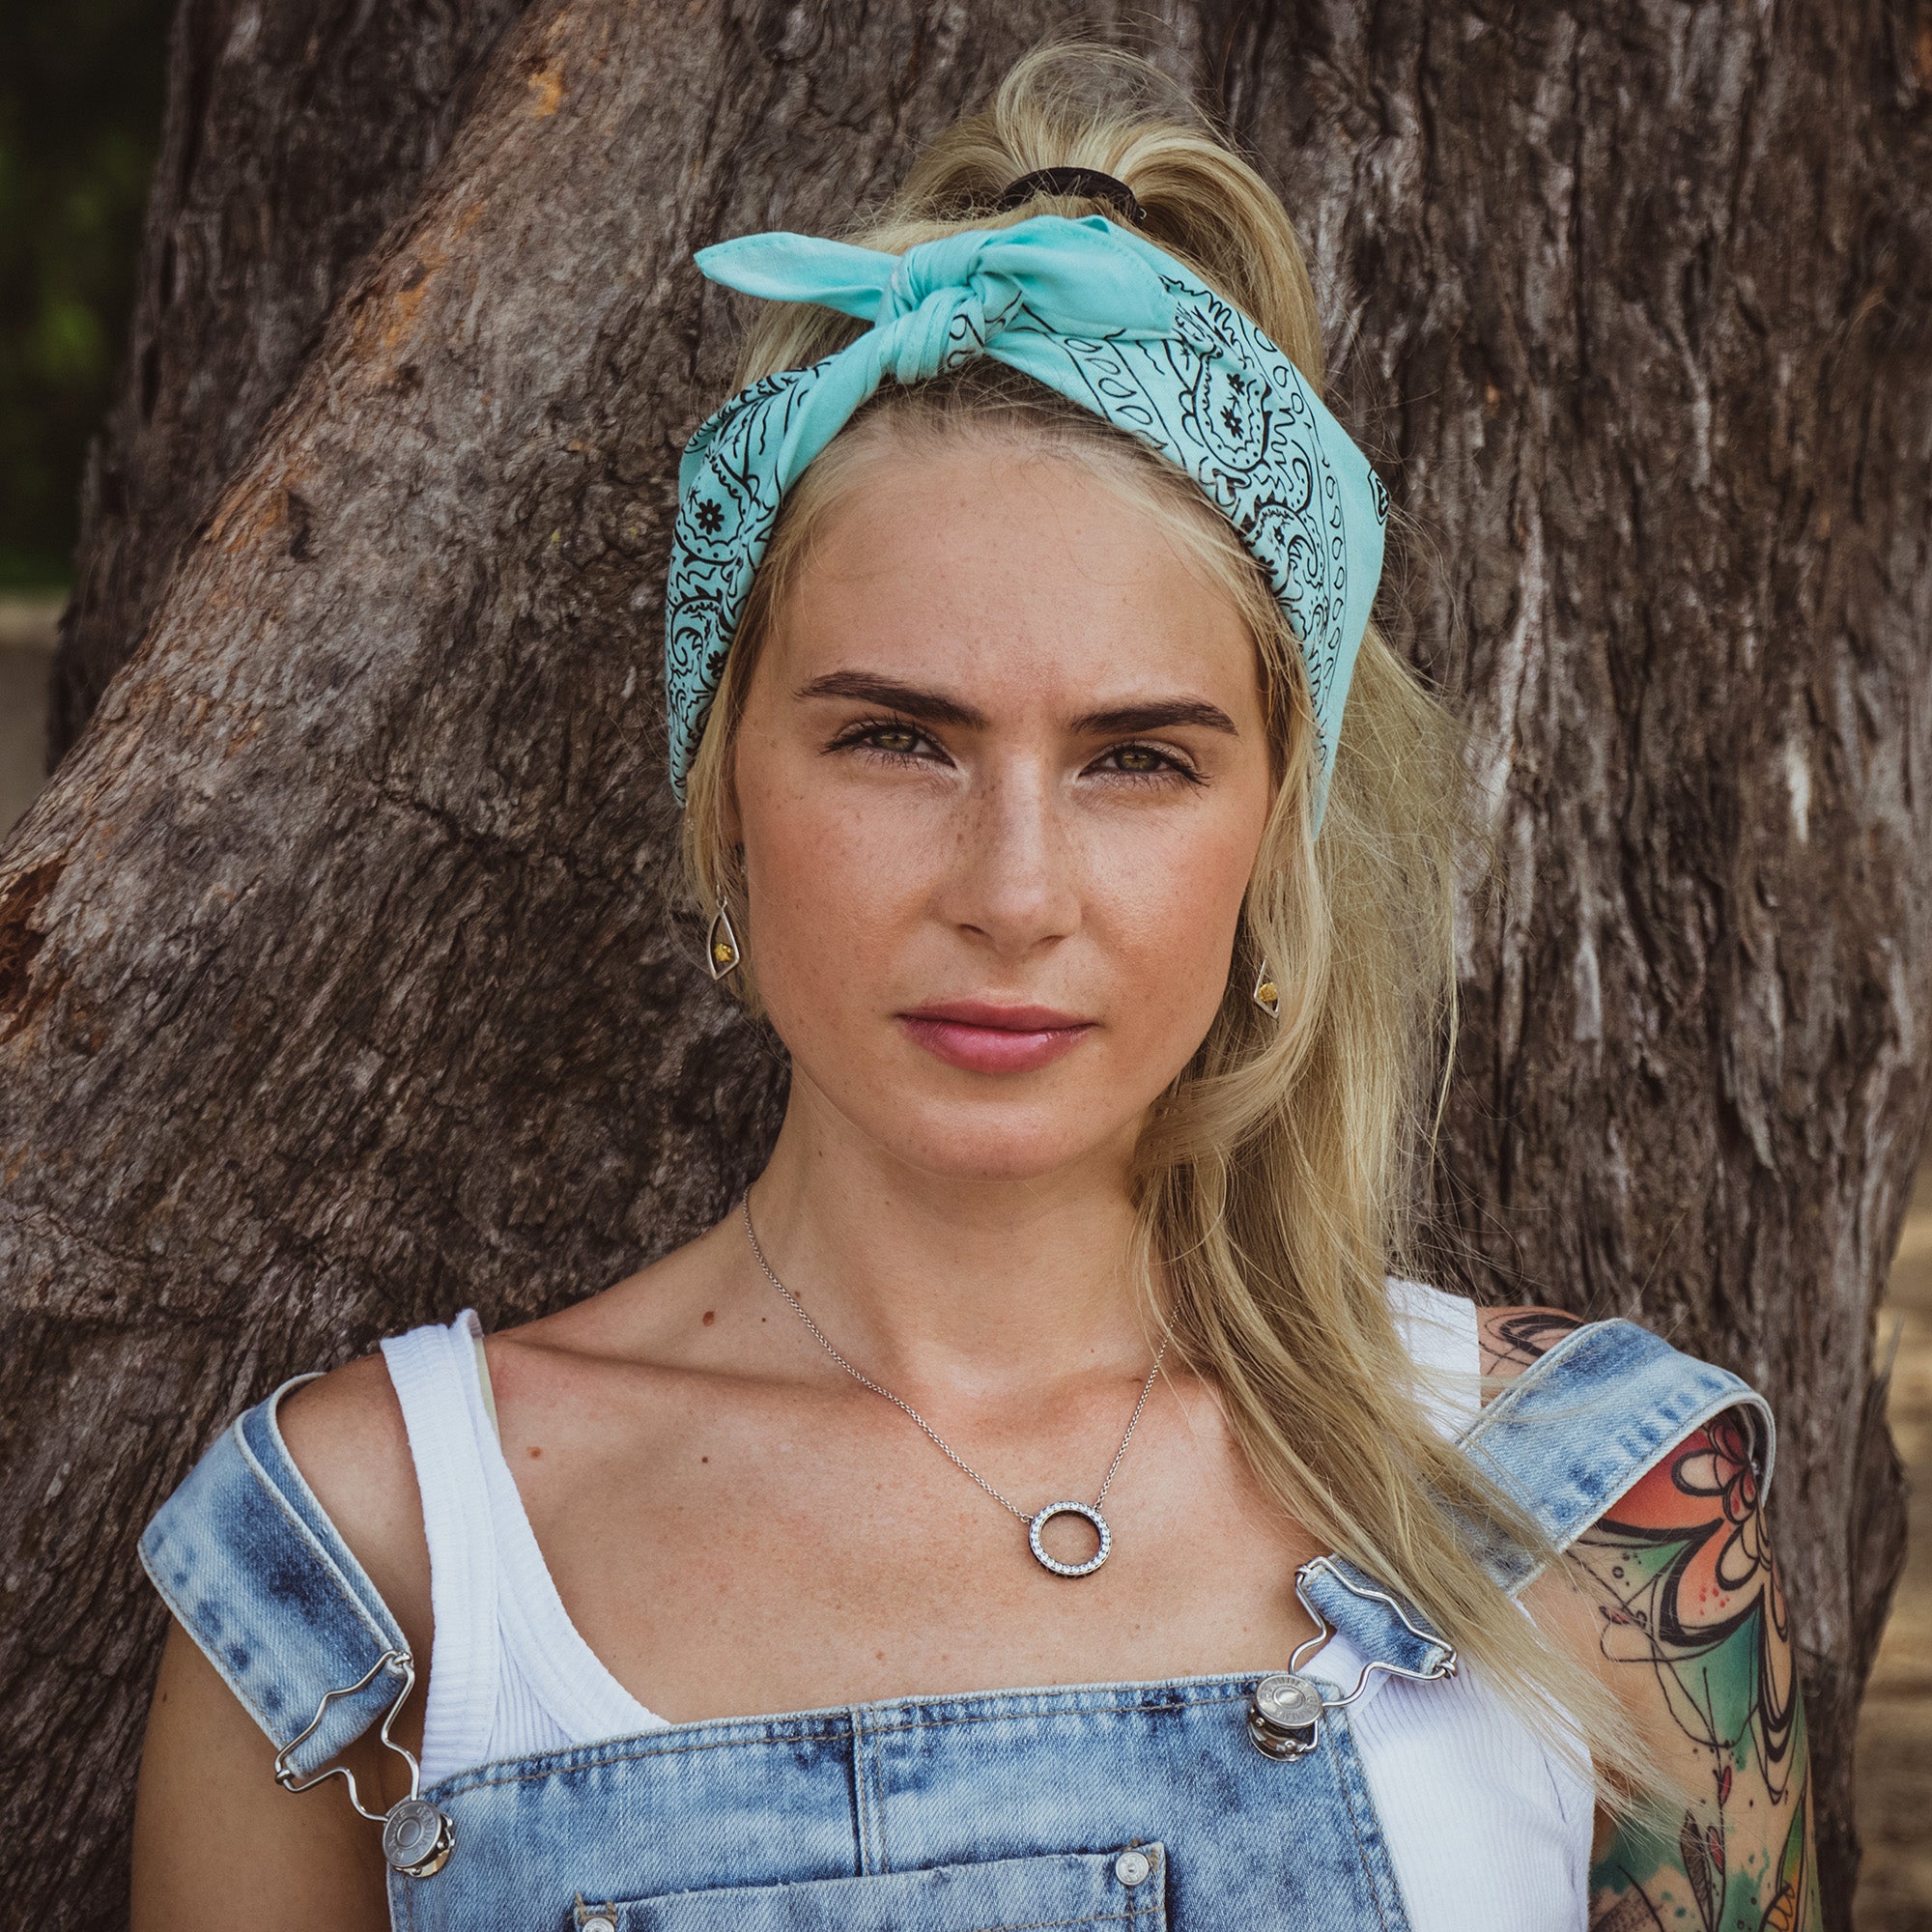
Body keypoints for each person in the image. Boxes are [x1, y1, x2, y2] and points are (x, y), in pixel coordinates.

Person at [128, 44, 1819, 1932]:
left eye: (1137, 759)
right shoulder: (369, 1561)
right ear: (726, 805)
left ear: (1272, 844)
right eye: (896, 740)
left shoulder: (1588, 1514)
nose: (1012, 892)